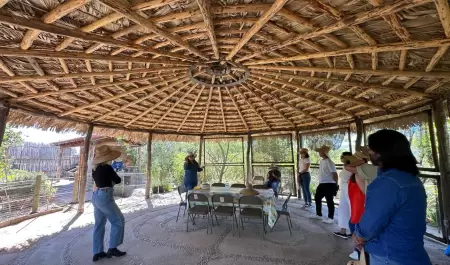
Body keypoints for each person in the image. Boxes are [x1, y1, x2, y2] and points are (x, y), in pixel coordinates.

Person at [355, 129, 431, 265]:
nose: (369, 152)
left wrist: (359, 235)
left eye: (371, 148)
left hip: (388, 255)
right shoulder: (411, 179)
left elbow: (371, 223)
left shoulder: (388, 183)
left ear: (381, 152)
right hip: (411, 252)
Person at [91, 146, 126, 262]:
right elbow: (118, 180)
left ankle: (98, 252)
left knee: (99, 225)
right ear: (107, 158)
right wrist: (113, 175)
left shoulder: (95, 168)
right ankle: (112, 248)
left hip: (95, 196)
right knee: (118, 221)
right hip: (105, 196)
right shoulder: (107, 168)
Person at [310, 145, 338, 224]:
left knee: (329, 201)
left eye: (320, 151)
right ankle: (319, 214)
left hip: (329, 184)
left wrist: (336, 185)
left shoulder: (329, 162)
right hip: (322, 183)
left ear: (324, 152)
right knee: (317, 197)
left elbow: (334, 174)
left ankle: (330, 217)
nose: (319, 152)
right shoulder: (322, 161)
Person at [333, 152, 353, 239]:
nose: (341, 158)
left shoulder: (351, 167)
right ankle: (343, 230)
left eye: (343, 157)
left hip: (350, 188)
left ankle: (354, 231)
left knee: (352, 209)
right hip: (345, 188)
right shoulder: (347, 167)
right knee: (343, 209)